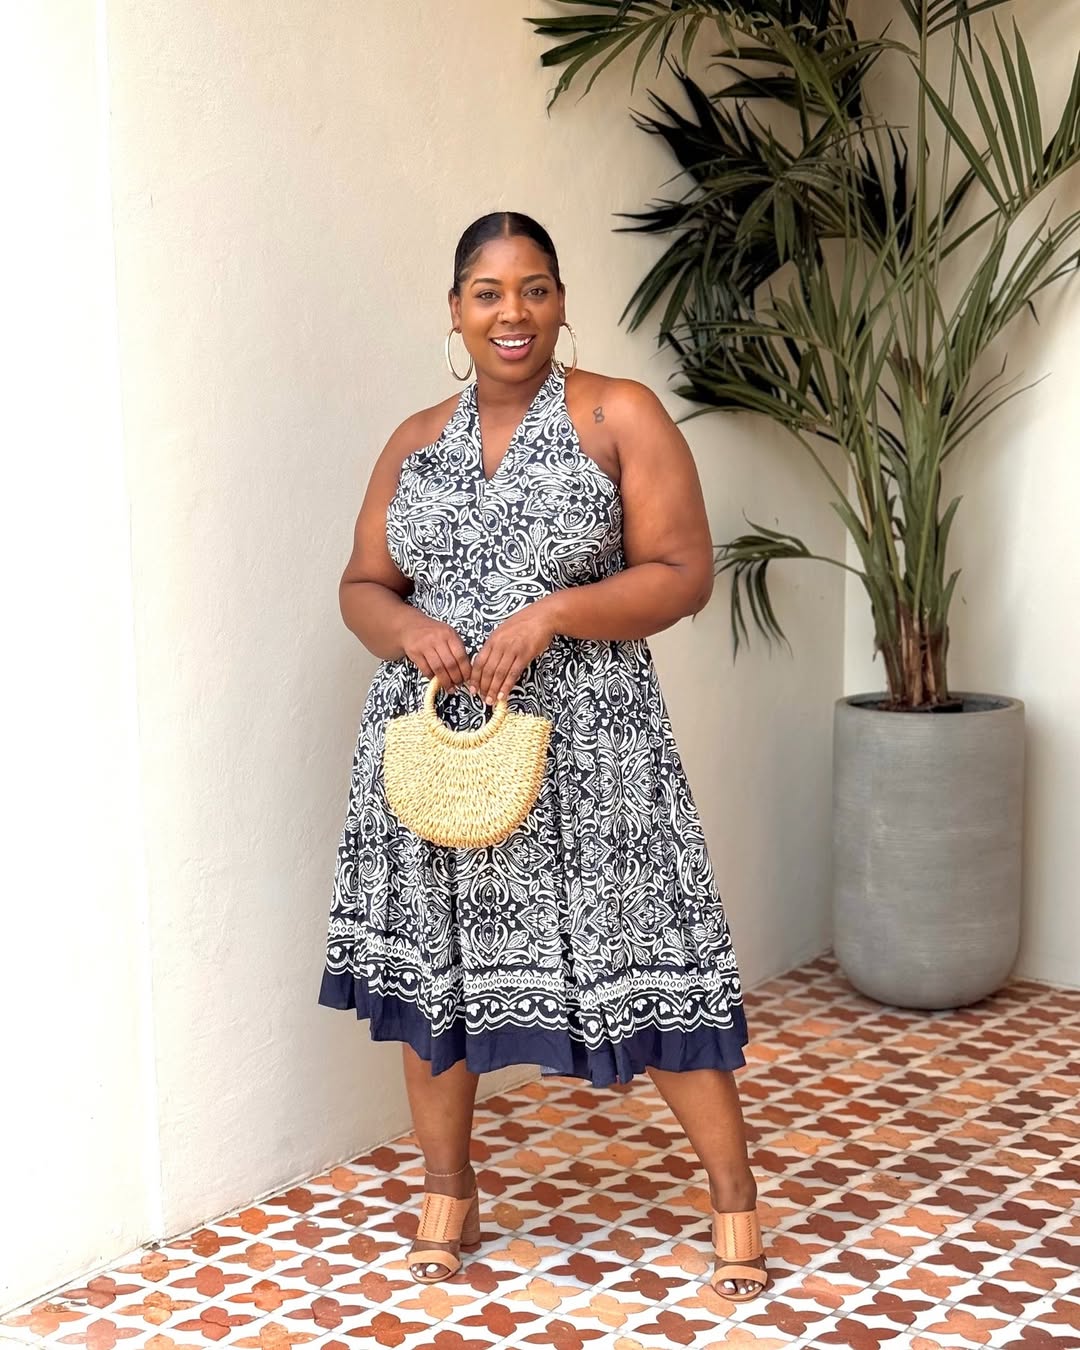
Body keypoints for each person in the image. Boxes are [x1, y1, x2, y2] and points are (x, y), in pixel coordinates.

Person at [318, 211, 769, 1301]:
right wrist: (408, 631)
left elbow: (683, 572)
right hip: (440, 747)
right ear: (456, 311)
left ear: (562, 302)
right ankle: (447, 1195)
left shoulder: (619, 413)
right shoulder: (414, 439)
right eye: (487, 292)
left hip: (593, 752)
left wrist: (556, 612)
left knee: (651, 966)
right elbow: (363, 584)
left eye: (533, 289)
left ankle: (735, 1200)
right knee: (437, 979)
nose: (511, 313)